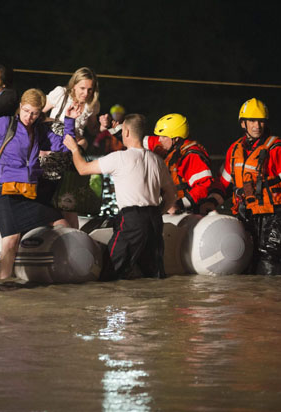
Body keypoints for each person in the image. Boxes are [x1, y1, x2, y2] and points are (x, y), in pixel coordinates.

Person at [0, 88, 80, 279]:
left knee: (61, 222)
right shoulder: (6, 123)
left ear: (41, 113)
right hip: (3, 192)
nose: (29, 116)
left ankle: (61, 274)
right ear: (20, 106)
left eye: (34, 113)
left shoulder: (40, 131)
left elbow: (66, 146)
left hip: (27, 193)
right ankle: (2, 287)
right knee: (11, 240)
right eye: (26, 111)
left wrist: (70, 120)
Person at [64, 114, 176, 280]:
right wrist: (158, 212)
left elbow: (83, 169)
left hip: (132, 220)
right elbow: (171, 195)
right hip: (154, 221)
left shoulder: (120, 158)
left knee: (110, 274)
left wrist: (74, 149)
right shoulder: (157, 160)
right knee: (154, 276)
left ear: (127, 132)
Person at [219, 98, 281, 275]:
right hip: (245, 217)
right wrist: (208, 204)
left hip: (275, 219)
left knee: (271, 273)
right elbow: (224, 186)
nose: (257, 125)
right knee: (244, 270)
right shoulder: (234, 150)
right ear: (243, 123)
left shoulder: (279, 149)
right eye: (252, 121)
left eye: (261, 121)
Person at [40, 67, 101, 228]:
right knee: (49, 193)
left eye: (90, 89)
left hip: (72, 152)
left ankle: (73, 238)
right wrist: (56, 124)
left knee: (68, 196)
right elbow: (38, 114)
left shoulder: (92, 105)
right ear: (74, 85)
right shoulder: (61, 93)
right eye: (82, 88)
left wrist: (102, 125)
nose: (86, 93)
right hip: (52, 145)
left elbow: (93, 129)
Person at [143, 113, 221, 214]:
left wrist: (179, 204)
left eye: (163, 136)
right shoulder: (171, 146)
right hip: (172, 208)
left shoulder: (191, 156)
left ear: (176, 138)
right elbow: (139, 140)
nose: (159, 139)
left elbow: (204, 186)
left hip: (188, 212)